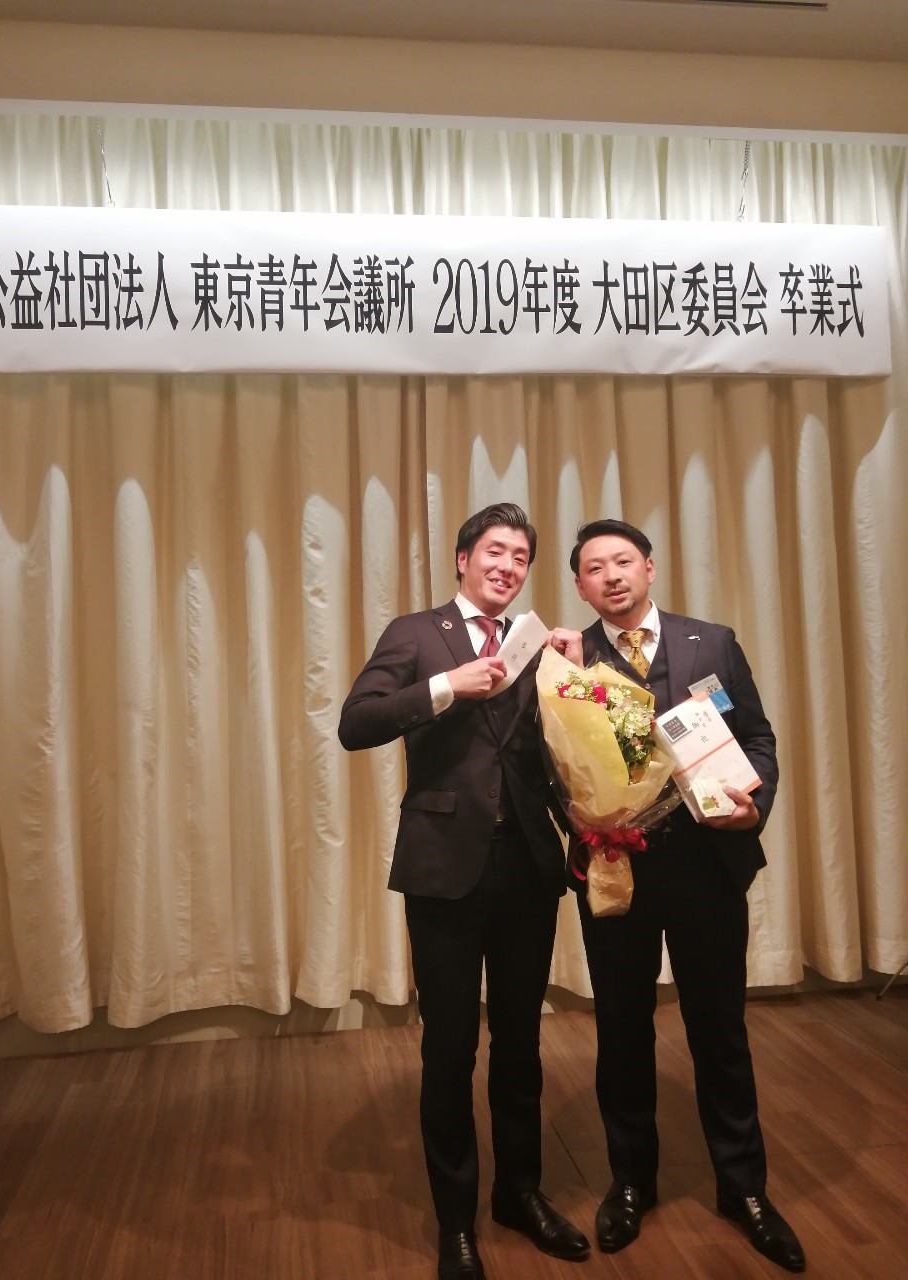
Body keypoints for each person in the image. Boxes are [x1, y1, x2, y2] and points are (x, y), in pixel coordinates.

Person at [339, 503, 590, 1280]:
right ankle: (456, 1221)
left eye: (520, 557)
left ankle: (519, 1194)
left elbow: (569, 753)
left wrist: (579, 677)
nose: (508, 566)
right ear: (462, 558)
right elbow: (356, 723)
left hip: (528, 868)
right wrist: (448, 684)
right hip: (444, 868)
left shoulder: (536, 646)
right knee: (448, 1048)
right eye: (495, 551)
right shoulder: (417, 634)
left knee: (520, 1044)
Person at [563, 517, 806, 1273]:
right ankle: (632, 1182)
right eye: (595, 567)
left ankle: (744, 1187)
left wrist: (753, 804)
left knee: (720, 1029)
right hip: (618, 871)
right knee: (622, 1032)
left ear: (650, 567)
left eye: (623, 561)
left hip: (707, 866)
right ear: (580, 586)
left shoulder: (712, 644)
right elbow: (551, 763)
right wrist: (582, 819)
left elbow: (757, 737)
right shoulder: (568, 662)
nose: (612, 575)